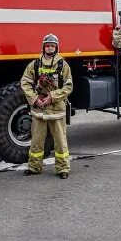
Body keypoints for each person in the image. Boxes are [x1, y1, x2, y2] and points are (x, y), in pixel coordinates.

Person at [20, 34, 73, 178]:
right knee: (36, 140)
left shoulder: (63, 65)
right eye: (48, 45)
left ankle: (63, 169)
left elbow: (68, 86)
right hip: (39, 108)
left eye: (53, 46)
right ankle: (34, 167)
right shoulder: (35, 64)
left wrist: (52, 97)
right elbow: (25, 82)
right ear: (43, 47)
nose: (50, 48)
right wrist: (34, 98)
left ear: (56, 48)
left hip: (56, 108)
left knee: (60, 141)